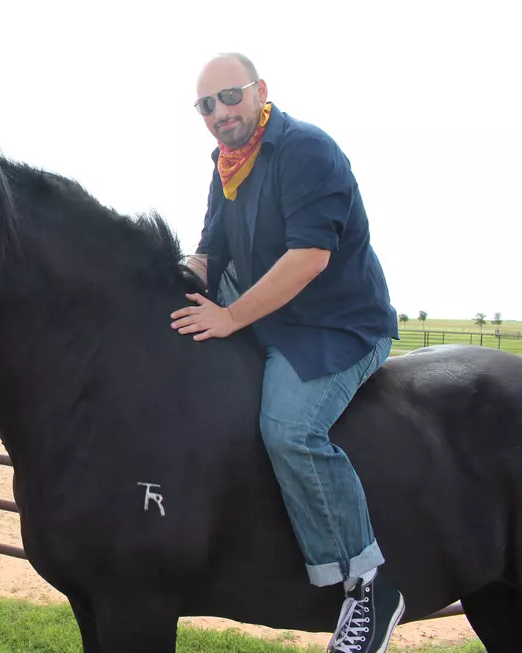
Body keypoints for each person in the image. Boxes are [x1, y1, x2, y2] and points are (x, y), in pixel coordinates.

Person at [170, 53, 404, 653]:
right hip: (269, 316)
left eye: (229, 96)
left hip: (335, 325)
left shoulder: (306, 150)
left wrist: (227, 316)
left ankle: (370, 588)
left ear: (259, 91)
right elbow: (211, 248)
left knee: (290, 429)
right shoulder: (227, 163)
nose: (219, 113)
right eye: (206, 105)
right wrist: (174, 274)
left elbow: (308, 258)